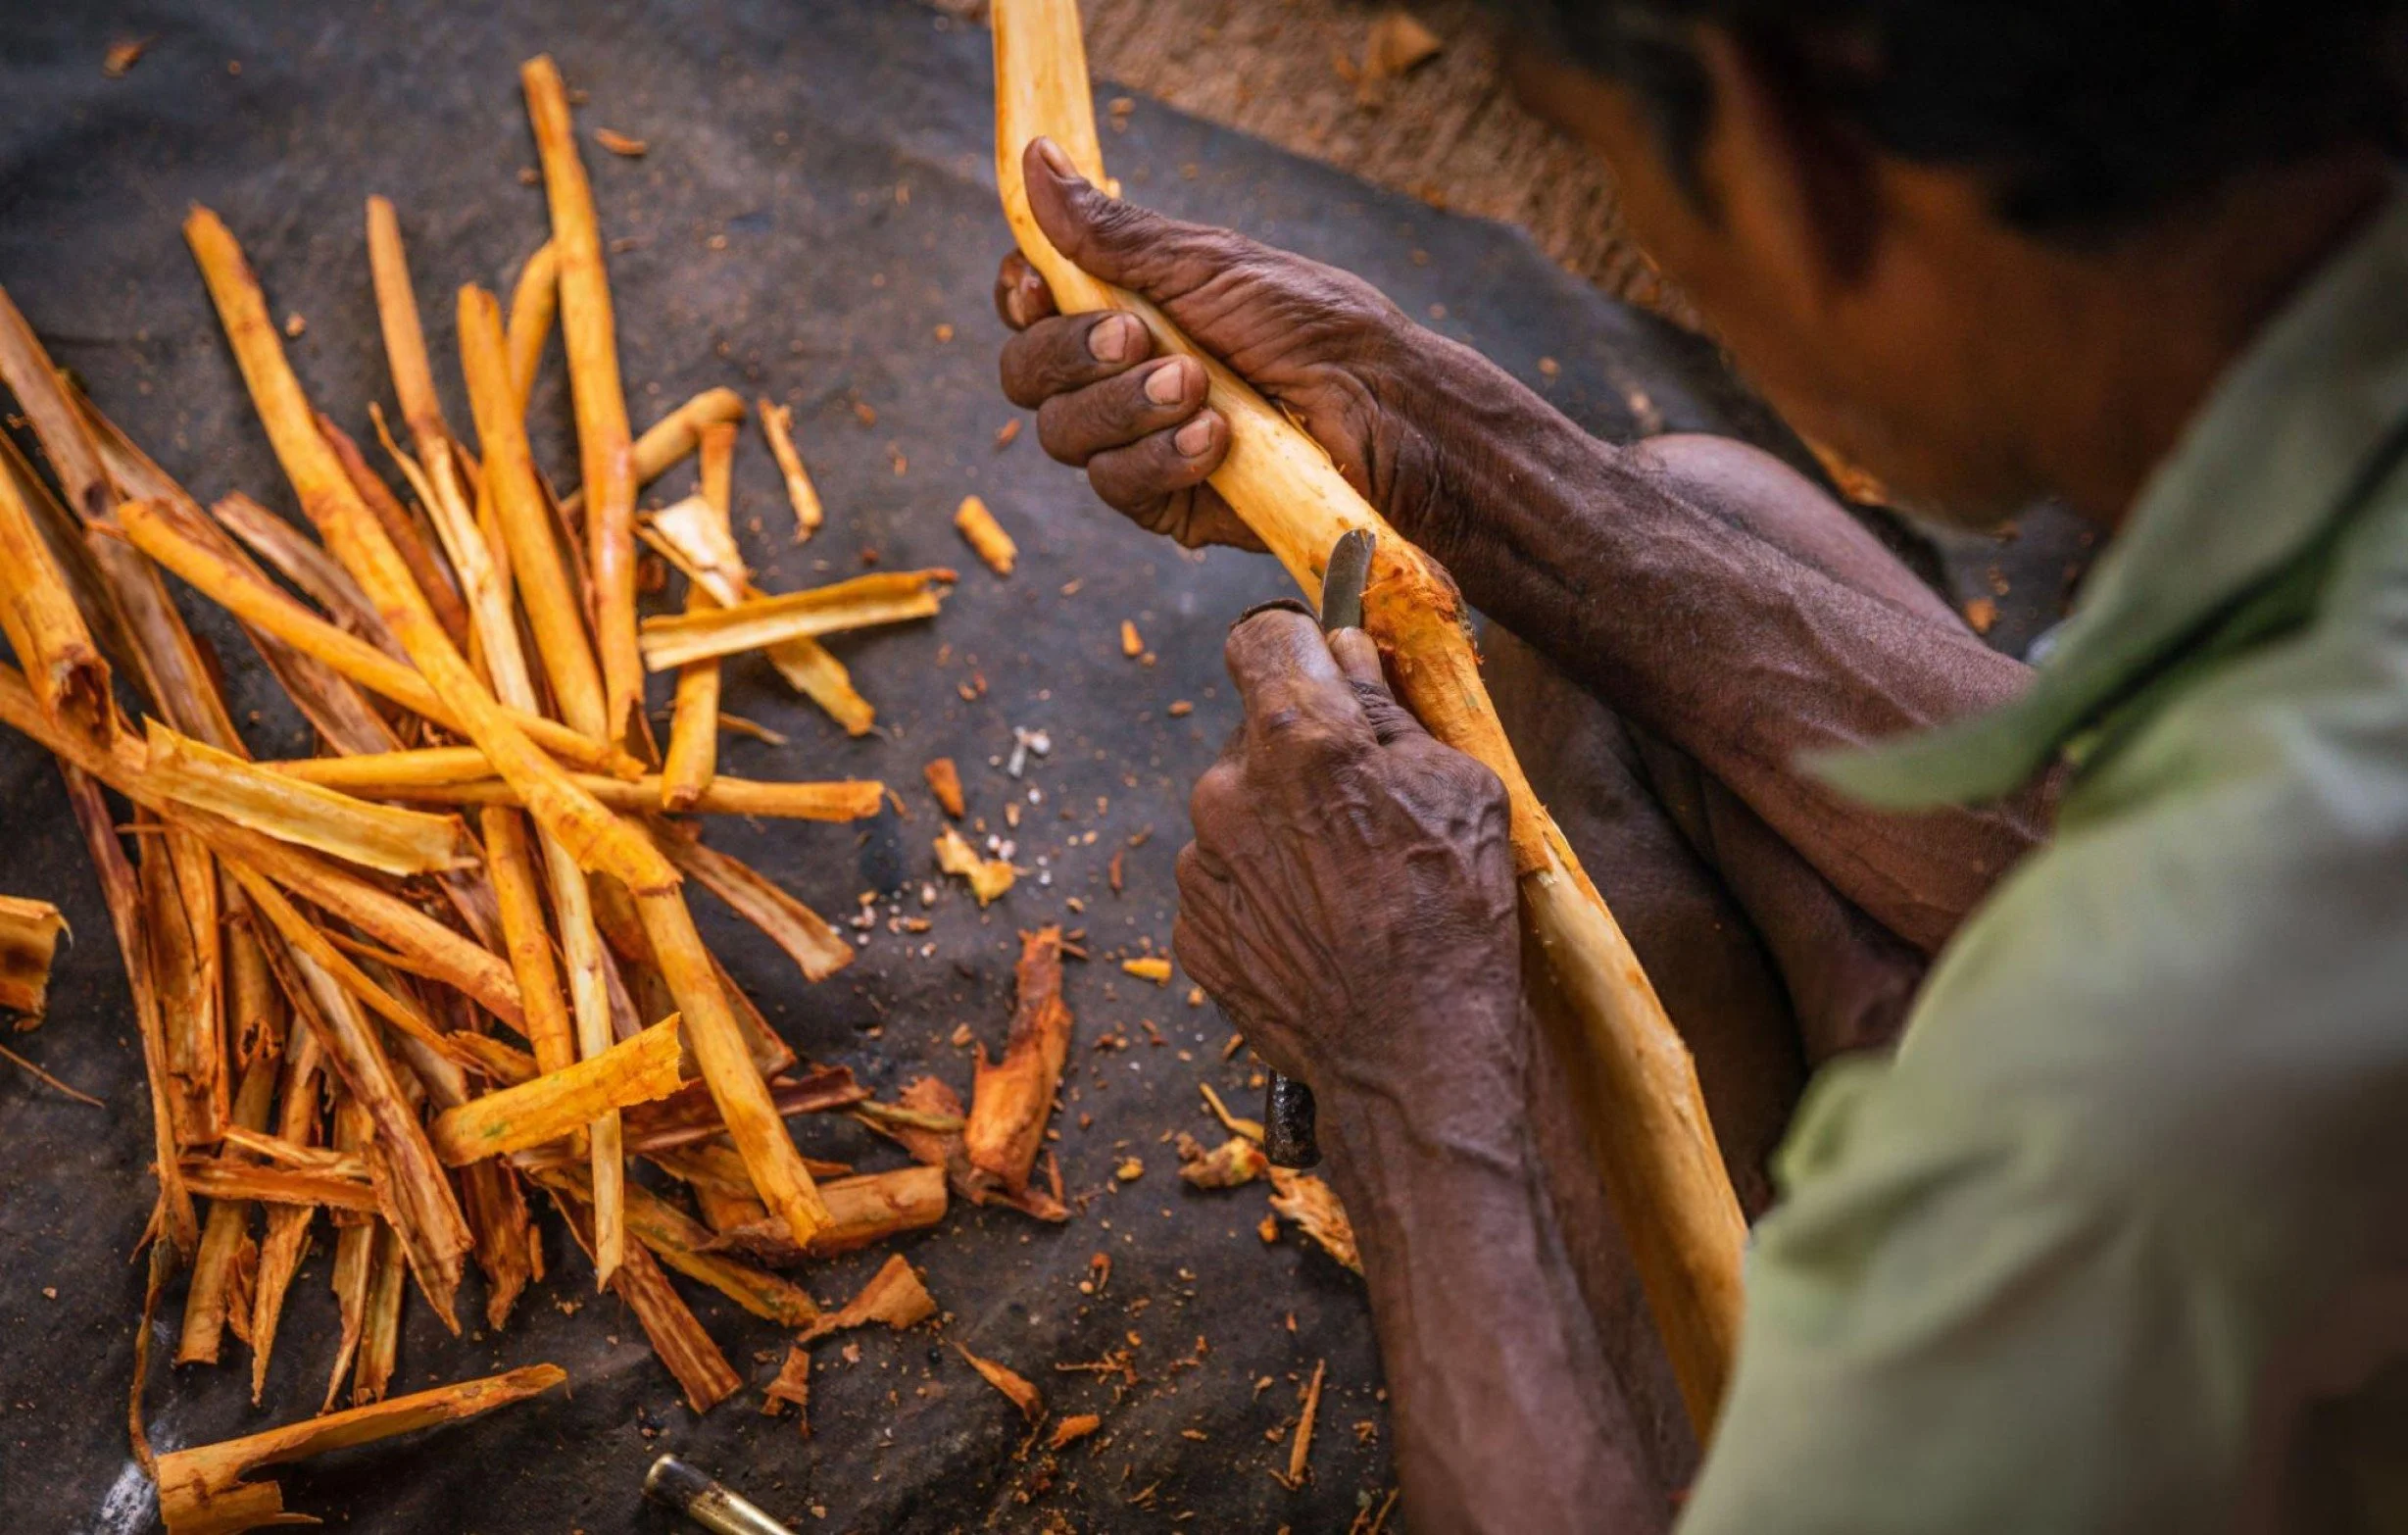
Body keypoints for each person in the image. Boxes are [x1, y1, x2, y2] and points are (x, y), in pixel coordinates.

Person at [993, 2, 2408, 1529]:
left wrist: (1407, 1065)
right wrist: (1446, 439)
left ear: (1790, 139)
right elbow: (2105, 816)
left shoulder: (2144, 1098)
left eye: (1605, 165)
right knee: (1698, 520)